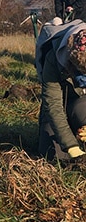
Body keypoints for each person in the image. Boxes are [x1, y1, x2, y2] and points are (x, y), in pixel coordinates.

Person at [35, 17, 86, 162]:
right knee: (53, 156)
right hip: (60, 103)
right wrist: (72, 147)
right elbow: (53, 106)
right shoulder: (53, 58)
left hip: (82, 101)